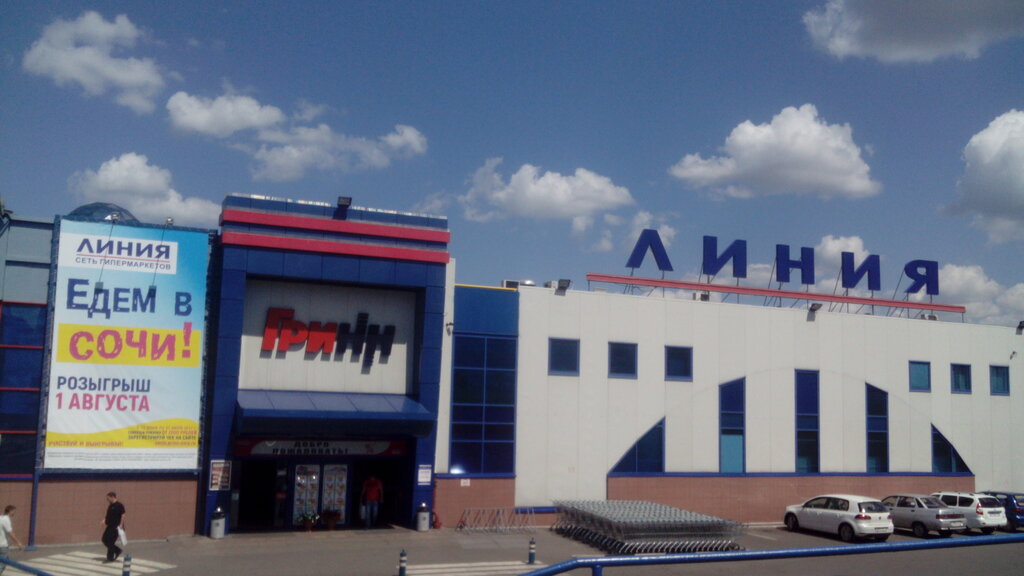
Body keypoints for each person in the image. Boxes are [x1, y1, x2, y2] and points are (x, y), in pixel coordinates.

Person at [101, 492, 126, 563]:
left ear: (112, 497)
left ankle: (110, 557)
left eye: (108, 498)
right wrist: (104, 520)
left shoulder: (119, 505)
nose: (107, 500)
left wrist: (121, 524)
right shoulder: (110, 505)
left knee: (110, 541)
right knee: (104, 539)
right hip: (109, 526)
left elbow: (123, 515)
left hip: (116, 526)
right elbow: (108, 515)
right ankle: (117, 550)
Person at [1, 505, 24, 575]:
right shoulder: (6, 519)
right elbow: (10, 533)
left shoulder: (0, 518)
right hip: (3, 545)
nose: (14, 513)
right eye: (14, 511)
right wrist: (18, 543)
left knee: (5, 560)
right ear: (10, 511)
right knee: (2, 564)